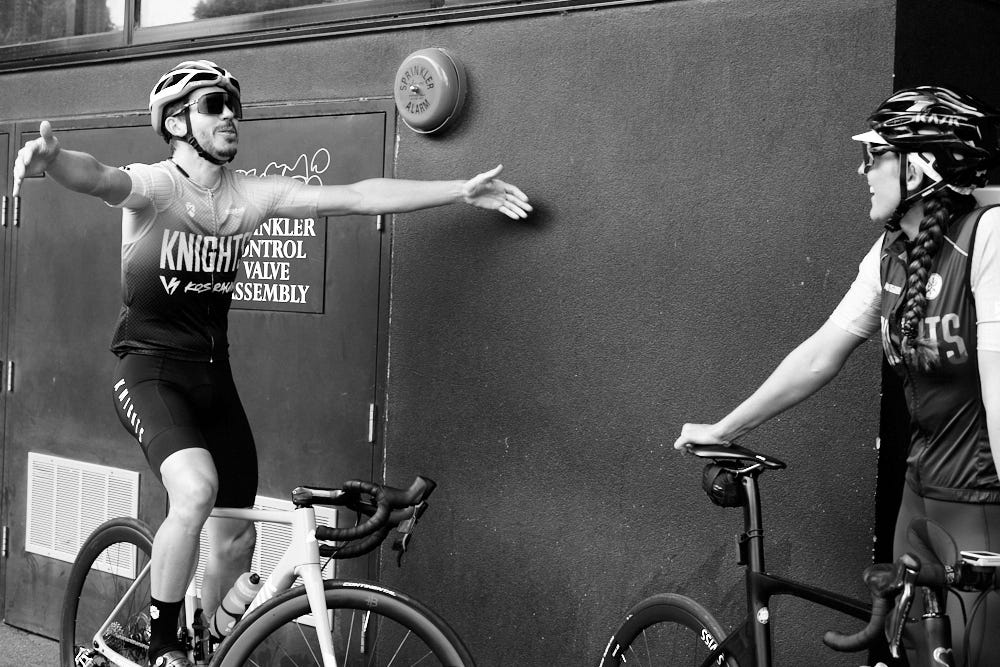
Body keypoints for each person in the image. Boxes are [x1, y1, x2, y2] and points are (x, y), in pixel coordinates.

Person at [12, 59, 531, 667]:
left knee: (238, 537)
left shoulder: (252, 196)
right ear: (177, 121)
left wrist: (459, 188)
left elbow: (360, 197)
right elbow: (99, 177)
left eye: (234, 104)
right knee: (196, 490)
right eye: (213, 105)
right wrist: (53, 162)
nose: (230, 113)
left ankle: (208, 646)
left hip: (213, 378)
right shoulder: (158, 188)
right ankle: (162, 647)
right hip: (149, 370)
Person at [673, 86, 1000, 666]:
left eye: (875, 155)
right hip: (919, 497)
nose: (863, 170)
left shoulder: (988, 237)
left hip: (980, 507)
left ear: (920, 163)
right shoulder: (890, 253)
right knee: (908, 654)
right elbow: (820, 354)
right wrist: (723, 427)